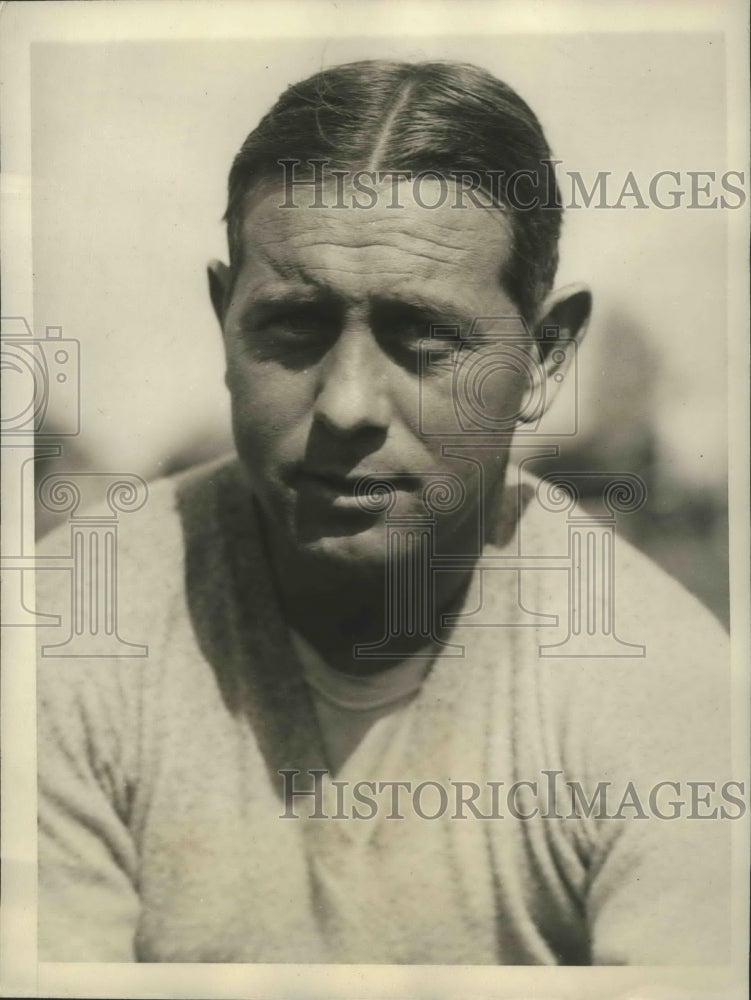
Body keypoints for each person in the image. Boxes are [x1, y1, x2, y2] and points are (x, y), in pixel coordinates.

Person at [37, 59, 733, 964]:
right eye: (294, 325)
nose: (347, 404)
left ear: (545, 359)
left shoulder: (667, 695)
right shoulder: (61, 636)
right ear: (224, 323)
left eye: (422, 338)